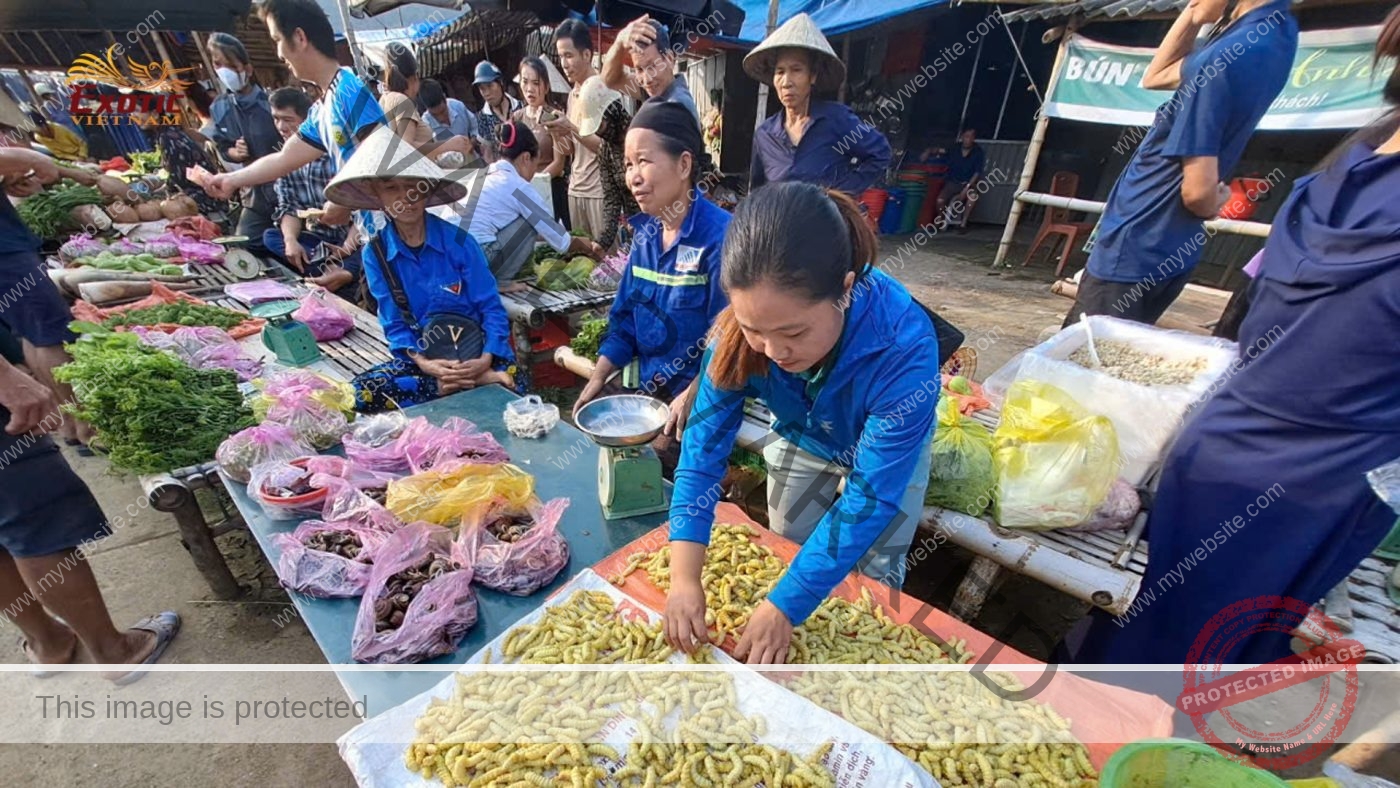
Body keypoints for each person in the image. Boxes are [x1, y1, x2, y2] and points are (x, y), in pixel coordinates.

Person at [1070, 8, 1400, 665]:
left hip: (1280, 467)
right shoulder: (1311, 90)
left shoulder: (1326, 131)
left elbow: (1203, 195)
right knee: (1184, 648)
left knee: (1169, 644)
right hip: (1263, 465)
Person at [663, 182, 939, 664]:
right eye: (755, 331)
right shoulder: (736, 334)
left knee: (874, 571)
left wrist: (784, 607)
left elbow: (870, 497)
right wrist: (684, 577)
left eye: (793, 333)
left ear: (845, 291)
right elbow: (701, 455)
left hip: (879, 455)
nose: (773, 351)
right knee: (786, 543)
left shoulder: (905, 349)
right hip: (803, 433)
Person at [1062, 0, 1298, 327]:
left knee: (1075, 369)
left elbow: (1198, 193)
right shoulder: (1279, 35)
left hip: (1136, 246)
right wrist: (1193, 14)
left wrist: (1217, 199)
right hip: (1171, 250)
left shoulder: (1223, 59)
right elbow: (1155, 76)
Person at [572, 101, 730, 473]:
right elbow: (624, 322)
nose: (633, 176)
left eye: (644, 161)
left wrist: (694, 393)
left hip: (703, 395)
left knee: (651, 467)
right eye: (628, 165)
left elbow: (729, 338)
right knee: (581, 437)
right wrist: (598, 376)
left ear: (684, 165)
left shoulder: (721, 237)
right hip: (647, 391)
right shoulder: (644, 236)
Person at [326, 126, 518, 413]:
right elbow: (394, 323)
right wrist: (427, 364)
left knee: (517, 384)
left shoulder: (459, 241)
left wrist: (487, 357)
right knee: (362, 393)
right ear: (378, 197)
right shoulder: (375, 254)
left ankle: (477, 377)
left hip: (475, 349)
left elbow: (490, 306)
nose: (406, 196)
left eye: (412, 185)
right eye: (391, 188)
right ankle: (459, 385)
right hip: (425, 358)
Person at [204, 0, 387, 233]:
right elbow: (284, 158)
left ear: (300, 37)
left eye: (277, 40)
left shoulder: (349, 90)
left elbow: (382, 154)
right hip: (371, 234)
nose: (279, 53)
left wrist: (343, 199)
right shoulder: (323, 106)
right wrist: (232, 180)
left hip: (391, 230)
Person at [746, 14, 891, 196]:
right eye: (780, 71)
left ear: (812, 76)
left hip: (829, 223)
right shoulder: (765, 135)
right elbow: (757, 191)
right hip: (782, 223)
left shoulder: (837, 119)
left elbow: (880, 153)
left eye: (796, 70)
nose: (786, 81)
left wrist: (843, 193)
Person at [467, 121, 603, 290]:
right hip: (479, 257)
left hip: (455, 256)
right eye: (535, 164)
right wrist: (591, 246)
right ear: (526, 158)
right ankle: (500, 282)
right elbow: (562, 242)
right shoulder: (517, 186)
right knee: (529, 222)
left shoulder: (484, 175)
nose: (534, 172)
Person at [262, 87, 362, 298]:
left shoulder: (337, 156)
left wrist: (345, 250)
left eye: (288, 119)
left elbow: (365, 216)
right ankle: (331, 272)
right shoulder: (287, 162)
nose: (281, 127)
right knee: (271, 237)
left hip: (353, 240)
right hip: (318, 243)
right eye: (276, 119)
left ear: (307, 120)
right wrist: (291, 240)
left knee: (371, 250)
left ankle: (342, 272)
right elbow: (289, 207)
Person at [207, 32, 281, 253]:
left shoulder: (271, 104)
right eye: (218, 64)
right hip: (253, 196)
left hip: (287, 191)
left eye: (230, 64)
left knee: (290, 245)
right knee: (246, 245)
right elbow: (222, 146)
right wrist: (233, 153)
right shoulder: (219, 108)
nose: (224, 71)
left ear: (247, 69)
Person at [550, 19, 610, 242]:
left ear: (587, 55)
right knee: (582, 261)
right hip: (575, 189)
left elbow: (607, 148)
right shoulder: (573, 93)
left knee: (607, 266)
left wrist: (572, 128)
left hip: (600, 193)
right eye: (560, 57)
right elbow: (567, 152)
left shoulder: (603, 90)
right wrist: (557, 132)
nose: (564, 64)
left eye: (569, 55)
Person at [601, 15, 700, 121]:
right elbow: (610, 80)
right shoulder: (660, 90)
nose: (647, 79)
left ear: (670, 59)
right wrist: (619, 41)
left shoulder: (677, 109)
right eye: (639, 69)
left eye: (652, 66)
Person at [512, 56, 569, 228]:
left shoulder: (555, 117)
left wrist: (535, 182)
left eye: (536, 83)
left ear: (546, 86)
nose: (530, 89)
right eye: (525, 82)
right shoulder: (516, 118)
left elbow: (559, 163)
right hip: (524, 195)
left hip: (551, 190)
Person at [931, 129, 985, 233]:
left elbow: (977, 172)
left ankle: (963, 224)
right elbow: (941, 151)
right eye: (966, 136)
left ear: (973, 139)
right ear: (962, 137)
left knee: (972, 198)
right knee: (940, 200)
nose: (967, 139)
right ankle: (940, 219)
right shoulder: (955, 148)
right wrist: (929, 150)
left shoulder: (978, 151)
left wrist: (967, 187)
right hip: (953, 182)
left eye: (970, 137)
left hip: (969, 183)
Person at [474, 61, 521, 155]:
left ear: (501, 83)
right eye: (482, 88)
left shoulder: (520, 107)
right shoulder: (482, 118)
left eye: (490, 86)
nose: (487, 93)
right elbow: (487, 153)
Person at [420, 78, 479, 146]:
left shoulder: (458, 106)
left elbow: (475, 126)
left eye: (443, 112)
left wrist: (471, 143)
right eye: (435, 115)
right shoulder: (424, 126)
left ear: (445, 98)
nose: (441, 118)